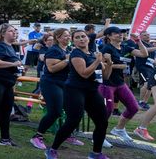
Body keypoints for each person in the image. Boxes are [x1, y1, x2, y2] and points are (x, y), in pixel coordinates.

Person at [45, 30, 111, 159]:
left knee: (102, 121)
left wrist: (109, 63)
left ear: (88, 39)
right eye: (77, 37)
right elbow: (84, 73)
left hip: (92, 90)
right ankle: (52, 149)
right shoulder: (76, 53)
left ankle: (96, 153)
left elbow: (106, 76)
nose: (81, 39)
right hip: (75, 90)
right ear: (73, 41)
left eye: (83, 36)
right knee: (73, 121)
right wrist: (98, 61)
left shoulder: (92, 54)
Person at [30, 28, 81, 149]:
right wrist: (68, 60)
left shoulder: (68, 49)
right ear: (58, 38)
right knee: (55, 112)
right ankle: (37, 136)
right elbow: (52, 68)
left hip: (64, 83)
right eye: (65, 36)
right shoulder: (54, 50)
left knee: (72, 111)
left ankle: (66, 134)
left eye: (69, 36)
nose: (68, 38)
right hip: (51, 83)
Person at [100, 26, 146, 141]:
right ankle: (99, 135)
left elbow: (144, 54)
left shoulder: (126, 46)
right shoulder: (106, 48)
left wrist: (138, 41)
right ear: (109, 36)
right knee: (107, 110)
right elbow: (101, 65)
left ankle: (119, 129)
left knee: (133, 107)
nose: (120, 34)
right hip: (107, 83)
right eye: (116, 33)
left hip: (120, 83)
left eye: (121, 33)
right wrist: (117, 66)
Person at [134, 31, 156, 109]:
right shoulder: (139, 44)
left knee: (151, 84)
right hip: (143, 66)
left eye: (148, 34)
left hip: (151, 67)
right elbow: (146, 50)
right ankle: (141, 102)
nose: (147, 36)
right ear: (140, 37)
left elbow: (153, 57)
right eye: (145, 35)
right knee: (147, 83)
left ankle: (144, 102)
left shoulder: (150, 45)